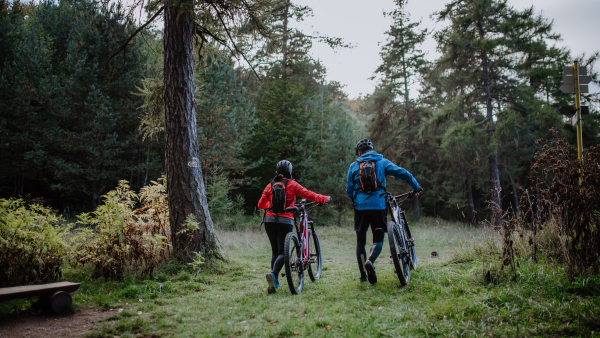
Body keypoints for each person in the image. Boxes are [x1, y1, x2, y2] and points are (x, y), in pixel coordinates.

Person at [346, 139, 421, 284]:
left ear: (360, 152)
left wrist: (358, 200)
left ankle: (363, 275)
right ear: (372, 149)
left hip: (360, 208)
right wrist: (416, 186)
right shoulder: (382, 162)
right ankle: (370, 261)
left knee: (360, 241)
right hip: (378, 205)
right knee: (378, 239)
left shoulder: (354, 166)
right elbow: (402, 173)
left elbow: (349, 190)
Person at [258, 160, 331, 294]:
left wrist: (272, 206)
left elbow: (260, 205)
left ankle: (275, 282)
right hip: (285, 220)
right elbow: (310, 195)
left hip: (269, 220)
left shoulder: (270, 185)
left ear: (277, 173)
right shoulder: (292, 184)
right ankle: (273, 275)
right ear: (290, 172)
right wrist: (325, 198)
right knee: (282, 252)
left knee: (275, 251)